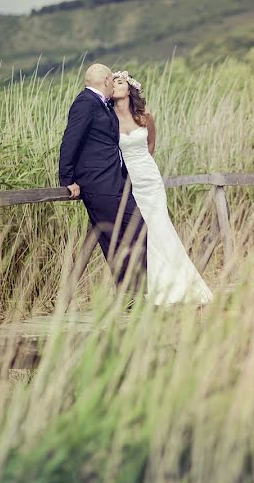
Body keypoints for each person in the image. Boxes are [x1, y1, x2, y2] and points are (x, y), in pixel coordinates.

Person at [111, 69, 213, 305]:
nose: (115, 85)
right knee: (140, 231)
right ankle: (151, 288)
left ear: (129, 88)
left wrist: (143, 167)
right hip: (127, 181)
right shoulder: (109, 118)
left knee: (160, 227)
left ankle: (179, 286)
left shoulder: (144, 116)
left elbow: (151, 143)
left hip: (149, 179)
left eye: (119, 81)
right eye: (112, 82)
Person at [58, 63, 147, 291]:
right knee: (116, 240)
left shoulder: (102, 105)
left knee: (137, 233)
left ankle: (136, 291)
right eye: (112, 80)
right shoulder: (85, 102)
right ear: (107, 80)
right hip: (98, 185)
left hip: (116, 183)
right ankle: (131, 295)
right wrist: (67, 179)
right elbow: (71, 139)